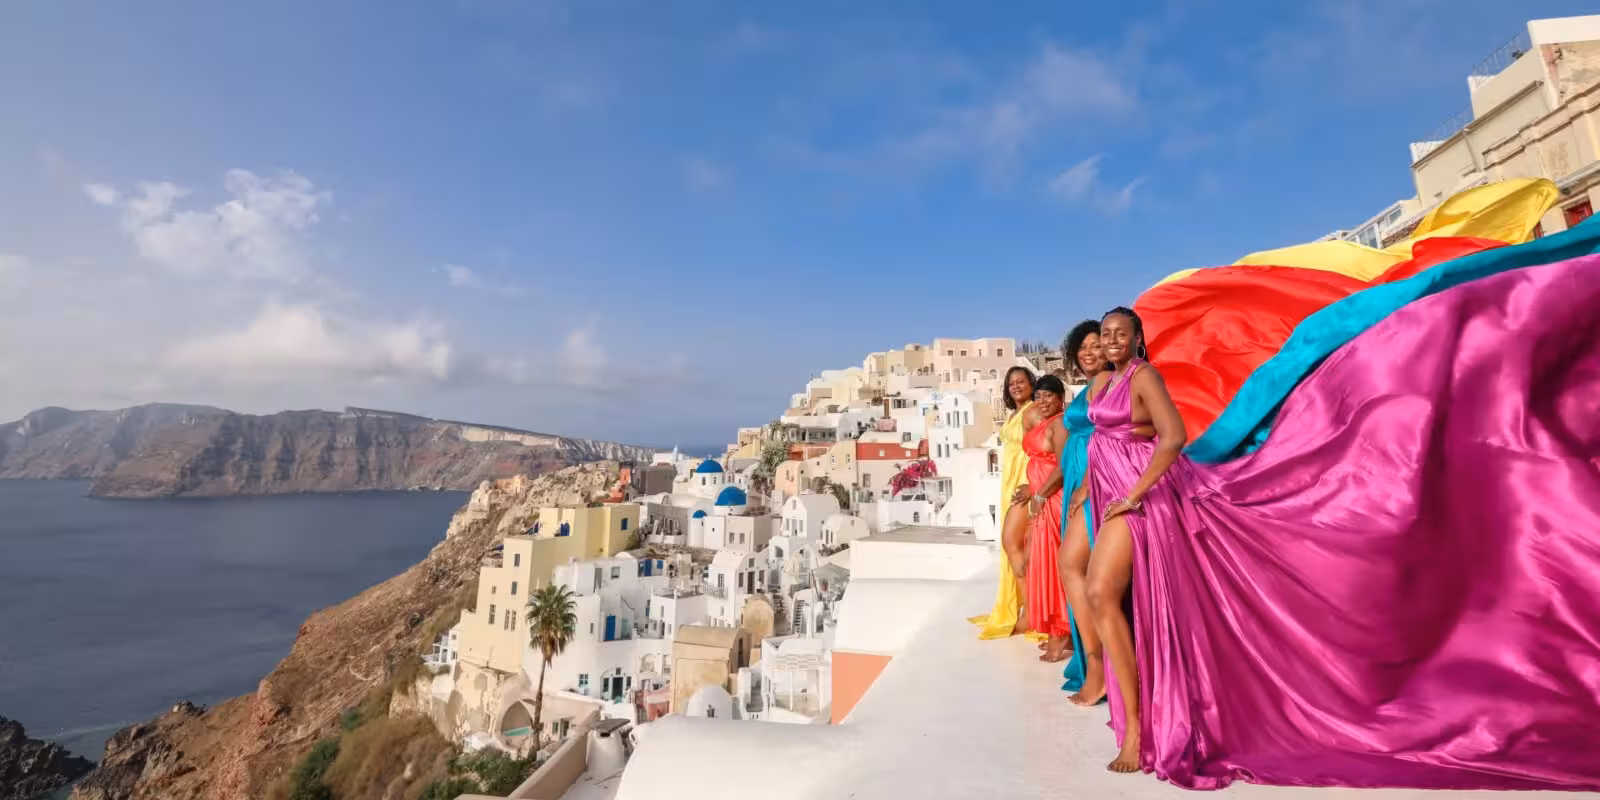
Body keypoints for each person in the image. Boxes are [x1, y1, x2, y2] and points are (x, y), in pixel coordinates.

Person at [967, 366, 1040, 640]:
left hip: (1024, 480)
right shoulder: (1015, 413)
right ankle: (1025, 609)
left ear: (1031, 384)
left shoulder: (1034, 410)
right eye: (1012, 384)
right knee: (1015, 545)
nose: (1017, 387)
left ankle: (1030, 614)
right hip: (1010, 480)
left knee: (1014, 544)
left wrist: (1034, 484)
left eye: (1022, 381)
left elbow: (1044, 446)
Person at [1014, 375, 1072, 661]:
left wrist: (1039, 495)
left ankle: (1059, 635)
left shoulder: (1060, 424)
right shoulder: (1043, 422)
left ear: (1061, 398)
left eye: (1049, 395)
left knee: (1052, 566)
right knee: (1041, 564)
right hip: (1041, 500)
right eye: (1039, 396)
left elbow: (1062, 468)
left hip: (1051, 501)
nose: (1043, 401)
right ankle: (1060, 631)